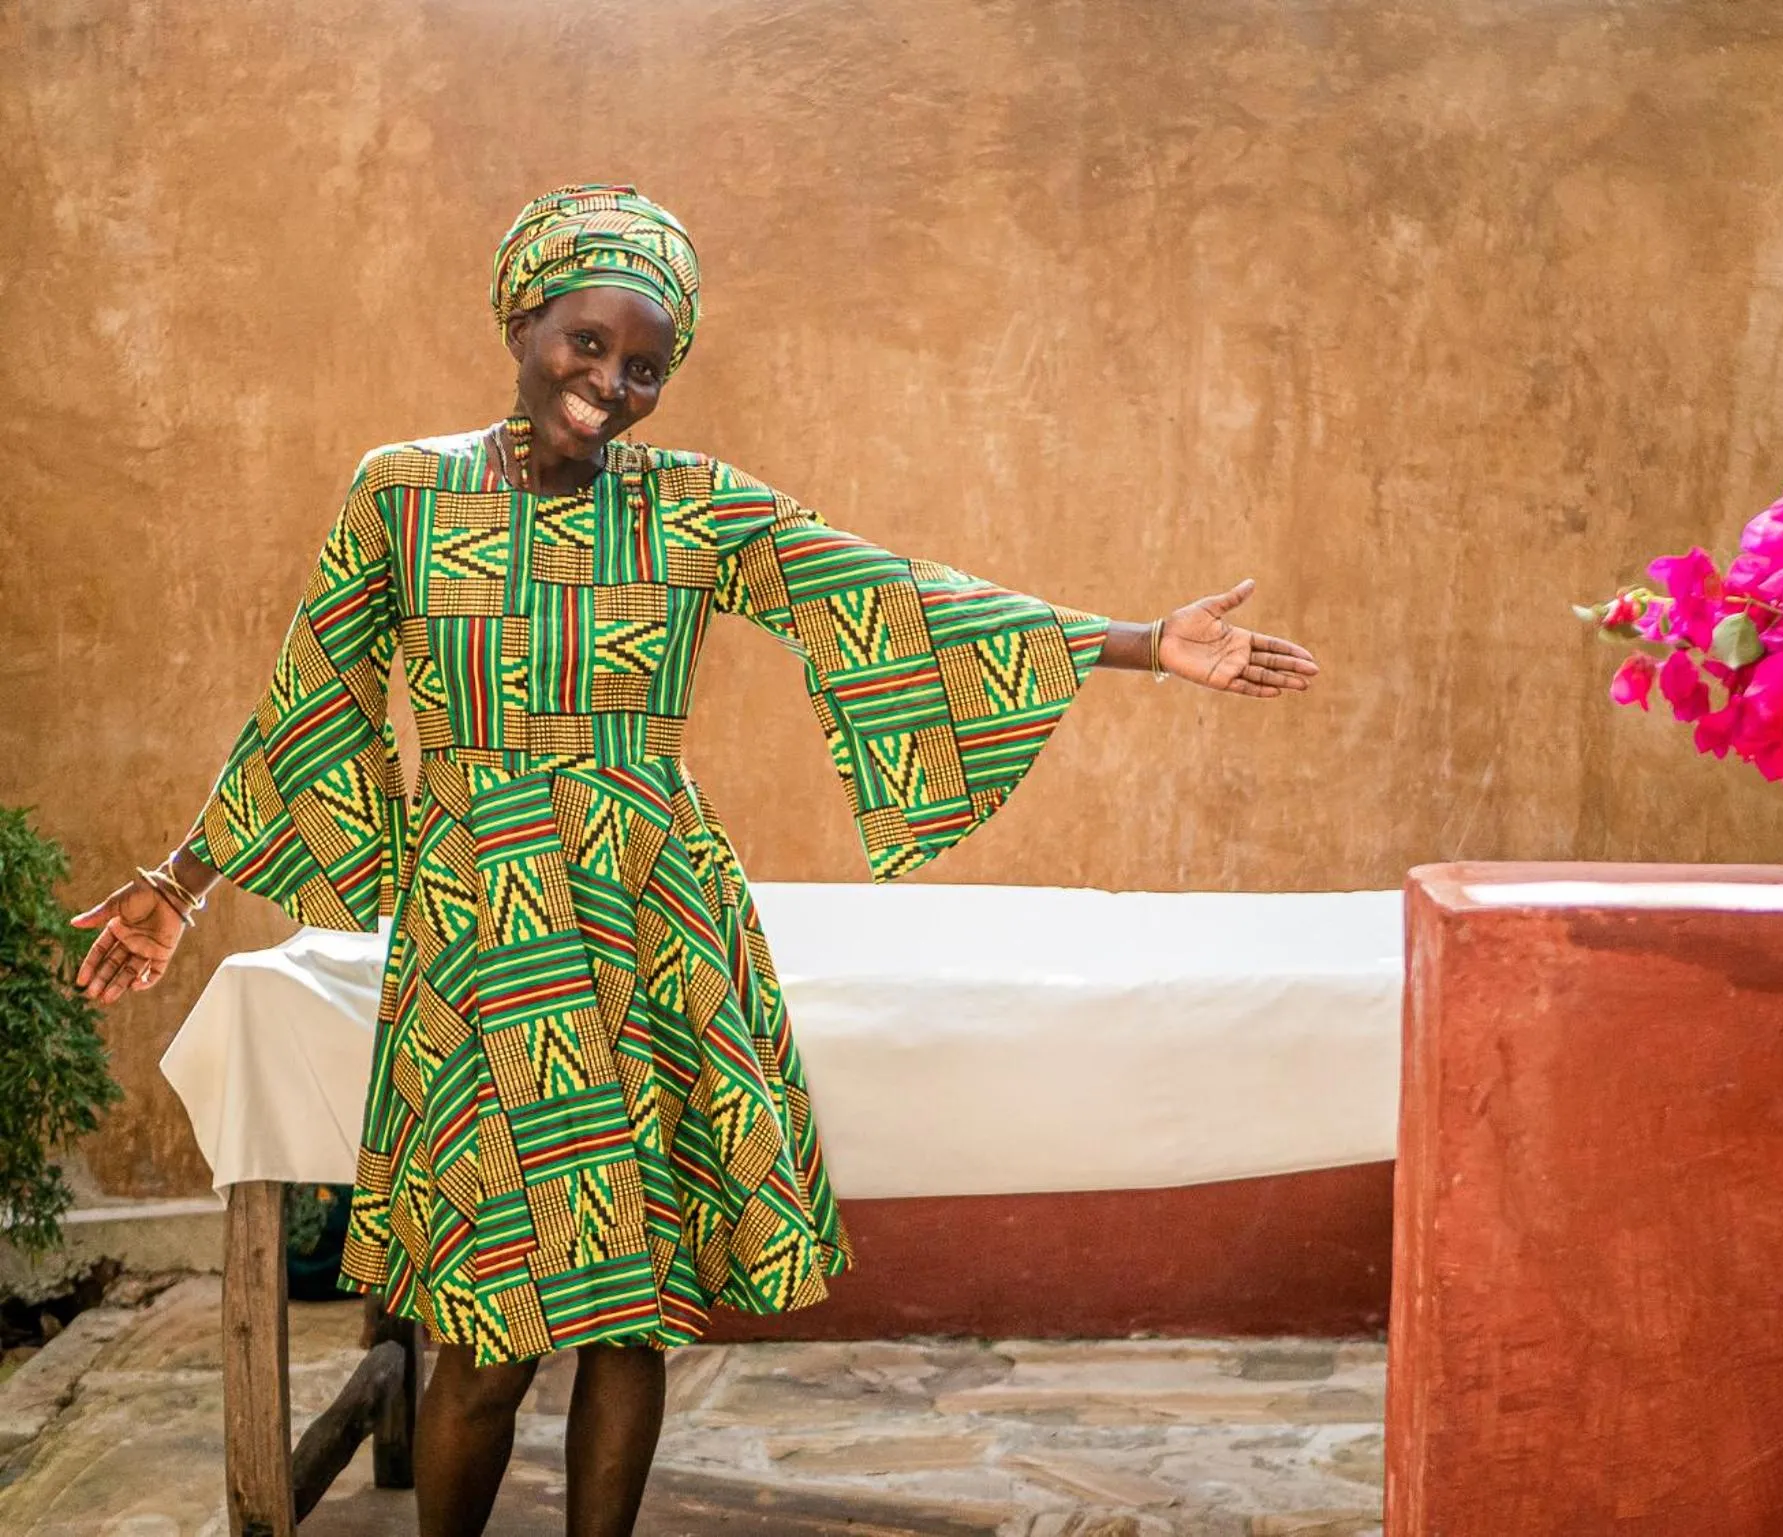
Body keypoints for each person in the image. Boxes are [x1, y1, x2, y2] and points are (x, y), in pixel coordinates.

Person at [71, 183, 1319, 1537]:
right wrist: (178, 882)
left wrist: (1140, 641)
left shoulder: (692, 508)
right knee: (491, 1317)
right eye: (589, 345)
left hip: (654, 908)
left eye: (646, 366)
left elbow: (886, 596)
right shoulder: (403, 493)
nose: (613, 385)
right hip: (482, 925)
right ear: (523, 318)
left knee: (626, 1313)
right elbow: (311, 701)